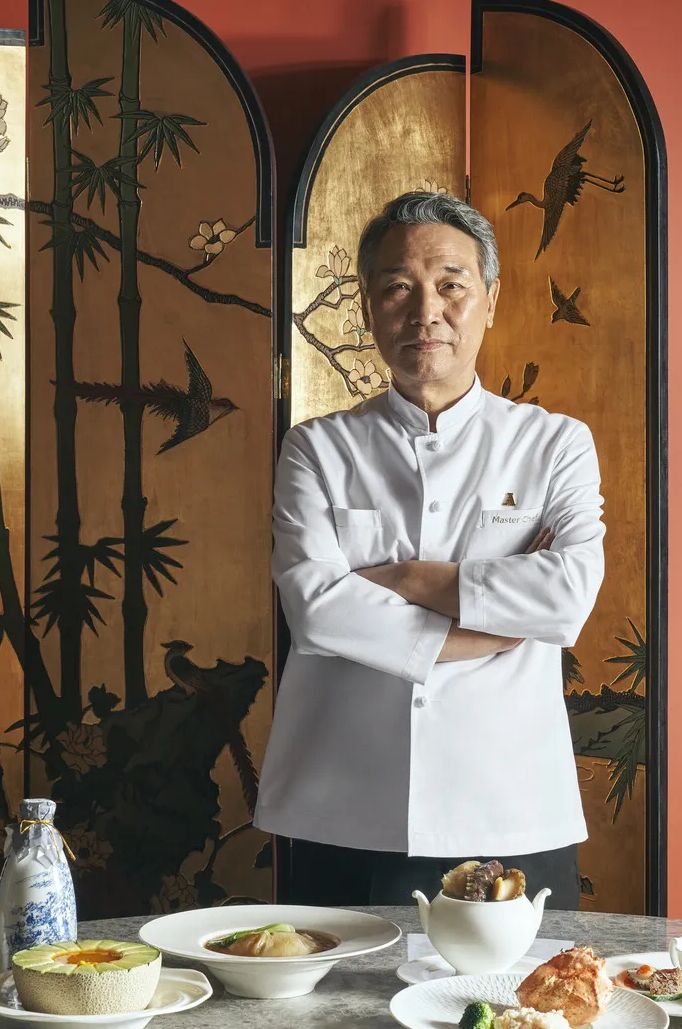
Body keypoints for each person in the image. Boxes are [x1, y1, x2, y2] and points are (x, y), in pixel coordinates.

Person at [254, 191, 605, 907]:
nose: (426, 312)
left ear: (490, 299)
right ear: (367, 306)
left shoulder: (554, 444)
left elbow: (565, 598)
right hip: (345, 805)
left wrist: (406, 578)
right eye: (397, 288)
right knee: (333, 987)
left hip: (511, 803)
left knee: (526, 985)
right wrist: (486, 629)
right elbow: (316, 611)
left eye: (451, 285)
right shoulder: (317, 449)